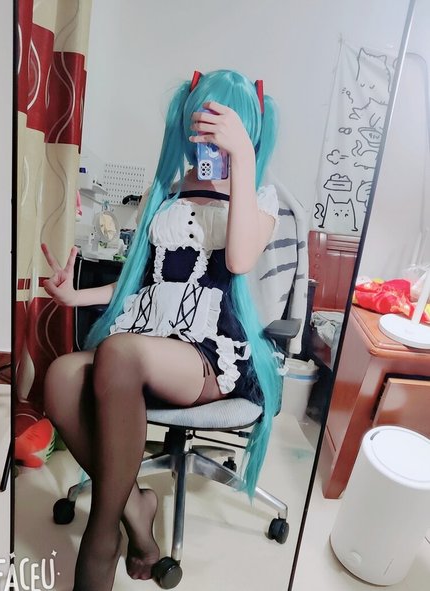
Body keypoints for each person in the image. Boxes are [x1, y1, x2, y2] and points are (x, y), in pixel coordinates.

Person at [42, 69, 282, 591]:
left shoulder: (259, 199)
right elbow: (143, 282)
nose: (210, 140)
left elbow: (239, 259)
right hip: (145, 338)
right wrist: (75, 296)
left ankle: (101, 536)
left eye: (224, 127)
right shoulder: (167, 193)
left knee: (120, 353)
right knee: (60, 376)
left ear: (247, 132)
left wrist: (242, 159)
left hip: (207, 355)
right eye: (203, 125)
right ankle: (136, 509)